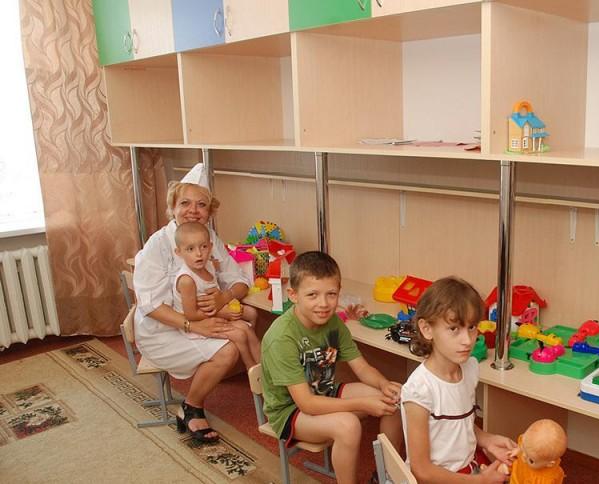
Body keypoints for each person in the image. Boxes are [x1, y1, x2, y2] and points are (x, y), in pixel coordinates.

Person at [261, 251, 402, 484]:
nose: (324, 304)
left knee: (392, 401)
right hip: (289, 411)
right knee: (348, 426)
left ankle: (385, 476)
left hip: (323, 391)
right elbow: (307, 404)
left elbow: (362, 368)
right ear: (293, 295)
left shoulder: (333, 322)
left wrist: (384, 384)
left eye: (331, 294)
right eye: (312, 295)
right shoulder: (281, 338)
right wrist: (362, 404)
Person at [133, 163, 250, 444]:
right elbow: (149, 304)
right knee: (228, 349)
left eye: (201, 204)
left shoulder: (210, 239)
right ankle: (191, 408)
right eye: (185, 203)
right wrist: (192, 324)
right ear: (172, 207)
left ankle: (260, 381)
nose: (193, 210)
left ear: (210, 212)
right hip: (162, 330)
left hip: (198, 319)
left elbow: (240, 280)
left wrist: (224, 297)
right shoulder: (157, 245)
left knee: (249, 319)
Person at [402, 276, 517, 483]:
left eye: (471, 327)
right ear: (427, 329)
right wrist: (480, 481)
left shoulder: (470, 368)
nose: (467, 340)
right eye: (454, 329)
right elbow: (421, 470)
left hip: (467, 468)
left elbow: (459, 426)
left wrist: (487, 440)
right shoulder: (419, 389)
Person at [172, 221, 260, 369]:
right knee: (241, 334)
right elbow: (191, 315)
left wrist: (223, 303)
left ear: (211, 246)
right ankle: (251, 369)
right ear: (179, 252)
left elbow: (216, 290)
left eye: (203, 247)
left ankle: (264, 366)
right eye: (190, 249)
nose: (199, 253)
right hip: (199, 324)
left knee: (251, 314)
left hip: (214, 312)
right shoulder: (187, 280)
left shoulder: (209, 265)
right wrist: (222, 313)